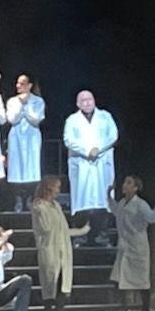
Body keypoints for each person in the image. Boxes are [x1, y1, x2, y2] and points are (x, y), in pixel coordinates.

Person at [30, 175, 90, 311]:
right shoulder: (39, 206)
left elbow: (62, 230)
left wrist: (82, 230)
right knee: (50, 288)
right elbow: (47, 228)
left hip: (63, 252)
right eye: (57, 187)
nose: (59, 190)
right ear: (49, 187)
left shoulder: (55, 205)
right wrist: (42, 210)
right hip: (49, 251)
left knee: (62, 289)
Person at [107, 176, 155, 311]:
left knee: (141, 283)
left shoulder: (140, 204)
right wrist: (108, 195)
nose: (125, 185)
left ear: (135, 188)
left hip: (137, 247)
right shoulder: (121, 203)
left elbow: (152, 217)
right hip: (124, 248)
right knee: (118, 280)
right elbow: (115, 211)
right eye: (125, 182)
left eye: (129, 183)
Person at [62, 90, 118, 242]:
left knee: (102, 198)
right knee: (82, 198)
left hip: (101, 162)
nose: (87, 103)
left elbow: (113, 135)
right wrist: (87, 151)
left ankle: (102, 233)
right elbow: (68, 140)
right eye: (83, 100)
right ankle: (81, 235)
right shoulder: (72, 120)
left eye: (90, 99)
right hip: (82, 164)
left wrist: (98, 149)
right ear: (78, 104)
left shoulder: (105, 117)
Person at [5, 74, 46, 211]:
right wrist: (20, 106)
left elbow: (36, 119)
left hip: (31, 137)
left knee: (31, 168)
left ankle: (29, 198)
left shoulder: (38, 101)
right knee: (16, 169)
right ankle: (17, 199)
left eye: (22, 83)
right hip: (16, 137)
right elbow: (12, 119)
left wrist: (26, 106)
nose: (18, 86)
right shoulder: (12, 101)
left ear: (29, 86)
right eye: (17, 83)